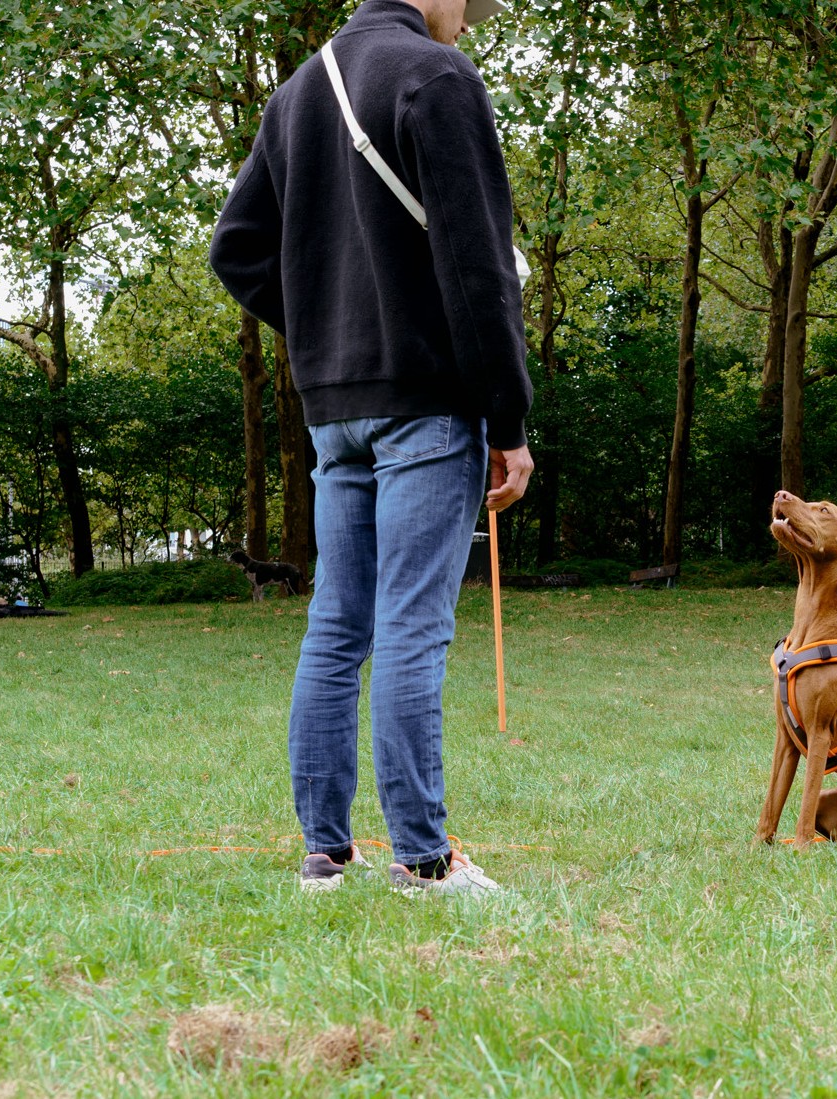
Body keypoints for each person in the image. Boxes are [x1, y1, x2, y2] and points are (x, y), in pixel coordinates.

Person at [209, 0, 533, 895]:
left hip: (332, 409)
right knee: (410, 628)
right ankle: (425, 863)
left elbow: (235, 252)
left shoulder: (298, 90)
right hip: (425, 404)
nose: (472, 20)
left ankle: (325, 857)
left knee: (336, 624)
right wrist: (507, 419)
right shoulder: (435, 75)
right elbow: (478, 267)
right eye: (473, 4)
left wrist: (323, 333)